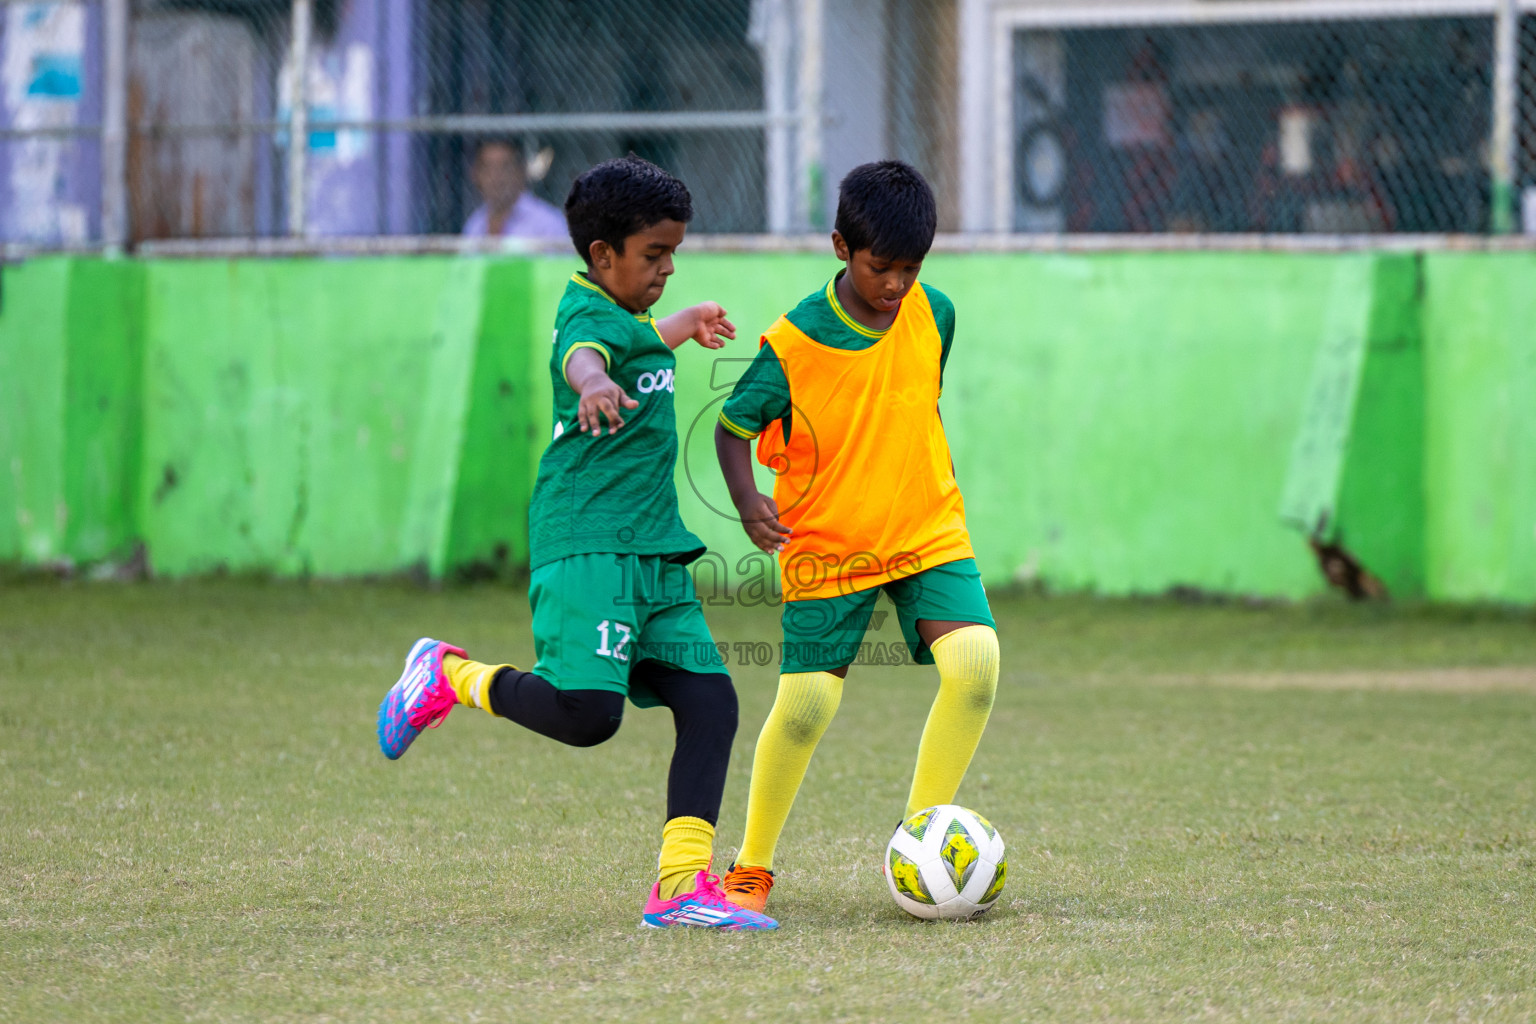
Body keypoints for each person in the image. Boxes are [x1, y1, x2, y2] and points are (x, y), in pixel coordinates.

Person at [379, 155, 777, 931]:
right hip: (588, 542)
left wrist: (679, 326)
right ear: (603, 256)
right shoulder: (584, 315)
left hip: (654, 548)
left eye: (673, 255)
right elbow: (586, 353)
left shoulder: (624, 313)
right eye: (654, 255)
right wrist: (591, 384)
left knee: (710, 701)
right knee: (588, 715)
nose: (666, 269)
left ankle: (679, 889)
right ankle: (448, 676)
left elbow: (629, 341)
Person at [712, 160, 1000, 915]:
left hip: (926, 526)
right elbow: (732, 427)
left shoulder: (936, 314)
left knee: (975, 665)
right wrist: (749, 506)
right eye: (882, 268)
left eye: (912, 267)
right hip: (828, 541)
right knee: (806, 707)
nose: (898, 285)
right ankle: (750, 867)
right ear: (841, 246)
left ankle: (922, 840)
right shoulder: (794, 344)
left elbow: (915, 406)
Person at [461, 138, 567, 239]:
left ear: (521, 171)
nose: (496, 178)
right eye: (488, 168)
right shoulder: (474, 225)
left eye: (505, 168)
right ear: (476, 175)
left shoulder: (548, 223)